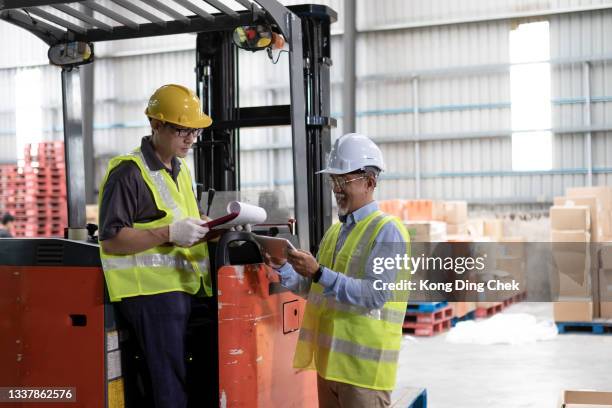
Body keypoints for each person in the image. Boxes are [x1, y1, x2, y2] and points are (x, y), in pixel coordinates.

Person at [266, 133, 411, 408]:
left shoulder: (388, 231)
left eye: (344, 180)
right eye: (334, 180)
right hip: (329, 366)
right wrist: (284, 268)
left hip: (363, 373)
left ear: (370, 182)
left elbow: (375, 295)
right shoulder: (335, 232)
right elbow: (315, 289)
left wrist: (319, 272)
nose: (336, 189)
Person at [98, 84, 213, 408]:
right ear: (156, 124)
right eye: (181, 130)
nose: (190, 138)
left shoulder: (180, 169)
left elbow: (183, 220)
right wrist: (168, 233)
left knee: (188, 378)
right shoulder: (129, 173)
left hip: (184, 289)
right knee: (167, 385)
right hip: (150, 294)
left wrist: (212, 227)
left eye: (194, 131)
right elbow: (111, 239)